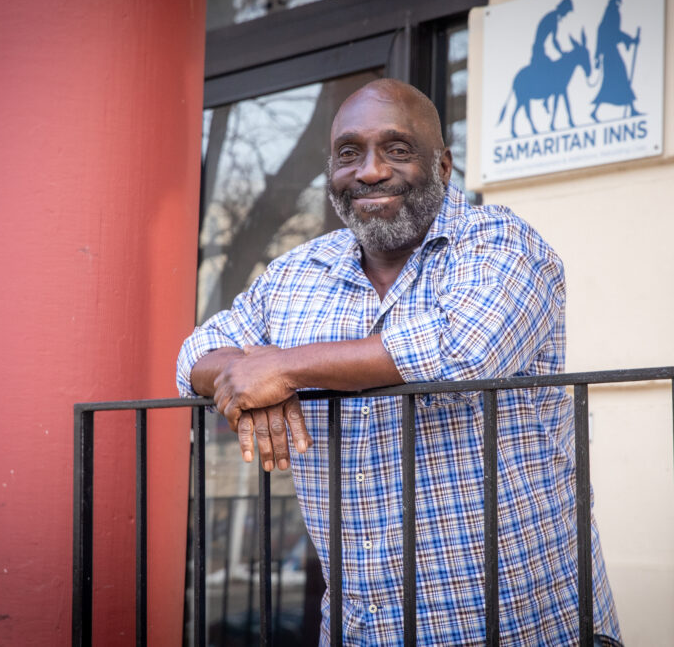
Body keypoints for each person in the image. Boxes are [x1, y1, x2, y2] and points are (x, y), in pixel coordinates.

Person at [177, 78, 622, 645]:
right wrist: (245, 377)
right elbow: (197, 353)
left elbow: (464, 349)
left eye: (397, 149)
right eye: (349, 153)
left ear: (443, 164)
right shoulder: (295, 274)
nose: (368, 171)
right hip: (364, 630)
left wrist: (283, 369)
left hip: (526, 626)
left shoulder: (503, 242)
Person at [591, 0, 641, 121]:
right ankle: (630, 108)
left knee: (616, 80)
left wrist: (629, 40)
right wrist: (630, 39)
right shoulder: (612, 8)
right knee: (618, 78)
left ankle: (630, 109)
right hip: (609, 51)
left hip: (610, 51)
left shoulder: (613, 7)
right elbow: (608, 31)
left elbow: (611, 31)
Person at [531, 0, 574, 70]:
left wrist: (561, 52)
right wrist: (562, 52)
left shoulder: (554, 18)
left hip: (540, 49)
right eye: (566, 11)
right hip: (538, 50)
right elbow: (554, 40)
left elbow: (554, 40)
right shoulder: (552, 18)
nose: (566, 14)